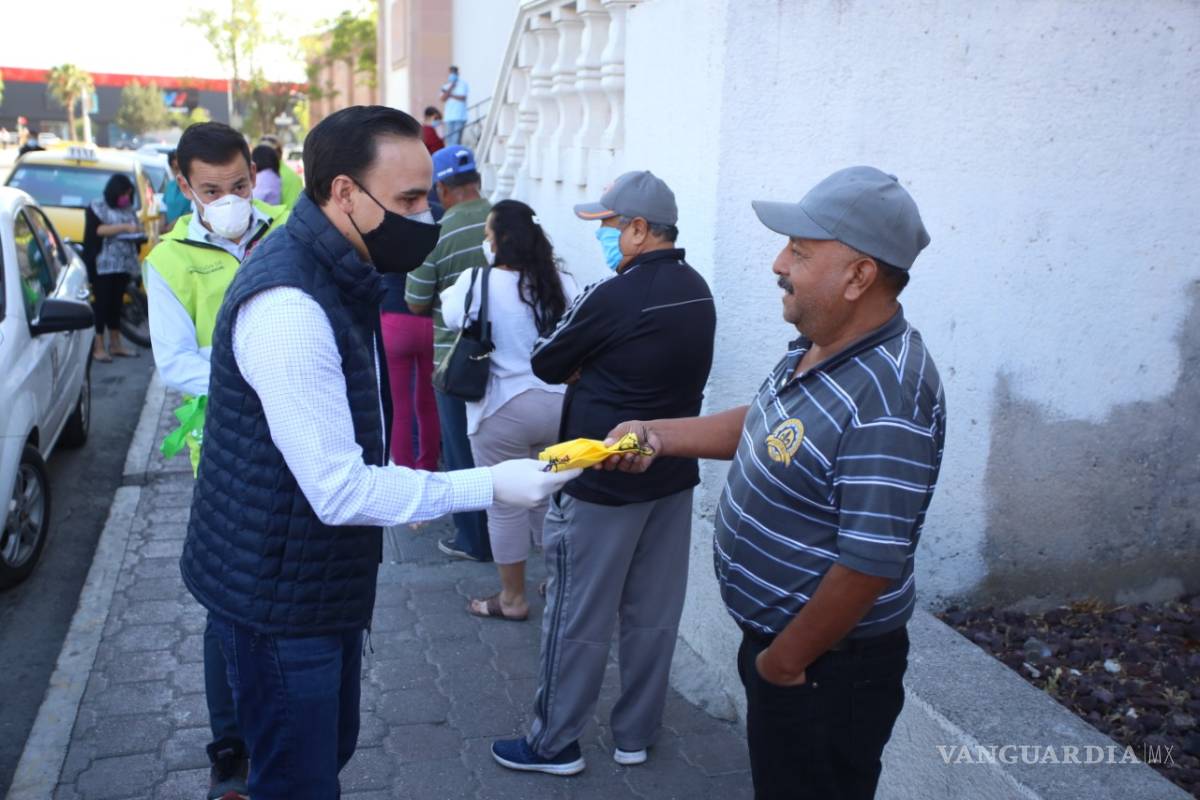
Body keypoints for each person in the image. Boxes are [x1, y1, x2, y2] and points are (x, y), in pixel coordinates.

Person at [179, 105, 578, 800]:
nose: (425, 217)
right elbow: (339, 490)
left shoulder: (334, 270)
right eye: (408, 200)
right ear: (342, 193)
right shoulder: (289, 305)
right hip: (280, 601)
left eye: (427, 195)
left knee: (319, 758)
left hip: (312, 584)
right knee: (300, 782)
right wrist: (490, 485)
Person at [601, 167, 944, 800]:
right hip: (792, 656)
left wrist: (782, 664)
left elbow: (870, 562)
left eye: (801, 251)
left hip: (823, 672)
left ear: (859, 276)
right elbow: (766, 427)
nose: (777, 262)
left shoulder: (887, 395)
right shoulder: (819, 345)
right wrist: (660, 435)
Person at [491, 170, 716, 776]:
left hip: (601, 478)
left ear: (640, 230)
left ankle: (553, 743)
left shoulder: (614, 293)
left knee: (578, 617)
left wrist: (589, 371)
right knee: (652, 616)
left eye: (610, 226)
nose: (604, 238)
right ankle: (635, 736)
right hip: (670, 475)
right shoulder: (699, 289)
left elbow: (545, 360)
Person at [144, 121, 288, 800]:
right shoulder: (167, 262)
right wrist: (258, 371)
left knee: (296, 587)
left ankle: (290, 724)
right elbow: (175, 364)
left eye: (239, 184)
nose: (230, 199)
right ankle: (230, 745)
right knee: (229, 603)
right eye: (211, 189)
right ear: (183, 186)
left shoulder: (288, 228)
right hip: (226, 450)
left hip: (306, 433)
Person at [440, 200, 579, 621]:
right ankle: (556, 585)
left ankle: (513, 599)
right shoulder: (564, 282)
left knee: (505, 504)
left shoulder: (476, 281)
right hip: (559, 410)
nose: (485, 240)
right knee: (549, 501)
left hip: (501, 410)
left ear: (501, 239)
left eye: (488, 233)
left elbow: (450, 318)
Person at [405, 145, 493, 562]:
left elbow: (416, 301)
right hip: (509, 360)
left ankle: (474, 540)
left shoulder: (435, 234)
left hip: (454, 363)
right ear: (476, 179)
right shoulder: (508, 218)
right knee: (502, 452)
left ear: (441, 187)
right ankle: (509, 535)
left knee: (461, 452)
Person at [379, 267, 440, 472]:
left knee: (398, 407)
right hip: (432, 322)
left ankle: (405, 470)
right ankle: (428, 468)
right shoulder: (433, 238)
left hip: (394, 319)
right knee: (429, 404)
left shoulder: (388, 237)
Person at [83, 173, 141, 362]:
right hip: (103, 265)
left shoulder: (128, 209)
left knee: (116, 304)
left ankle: (116, 344)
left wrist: (137, 231)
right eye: (124, 193)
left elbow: (136, 226)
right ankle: (98, 345)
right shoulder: (97, 207)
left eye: (129, 194)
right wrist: (124, 227)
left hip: (122, 264)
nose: (126, 197)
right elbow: (97, 230)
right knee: (102, 304)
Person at [258, 134, 303, 209]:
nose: (264, 156)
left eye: (269, 152)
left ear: (280, 153)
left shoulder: (290, 177)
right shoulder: (292, 176)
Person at [162, 150, 192, 231]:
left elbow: (195, 212)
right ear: (171, 169)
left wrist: (174, 224)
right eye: (176, 168)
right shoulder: (170, 186)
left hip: (187, 232)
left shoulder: (193, 186)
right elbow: (164, 209)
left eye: (181, 167)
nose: (179, 172)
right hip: (170, 233)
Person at [440, 66, 469, 145]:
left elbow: (463, 97)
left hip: (460, 116)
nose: (452, 75)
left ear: (457, 73)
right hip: (449, 117)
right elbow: (442, 99)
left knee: (456, 140)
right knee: (448, 140)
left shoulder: (463, 84)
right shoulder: (446, 85)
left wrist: (449, 94)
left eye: (454, 73)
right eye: (451, 73)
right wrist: (451, 87)